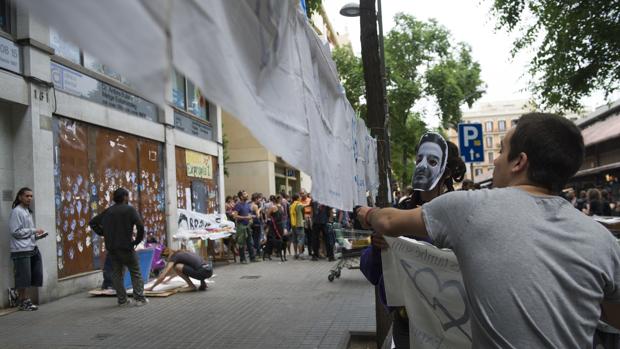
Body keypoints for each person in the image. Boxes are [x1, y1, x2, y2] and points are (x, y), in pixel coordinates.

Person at [355, 113, 620, 347]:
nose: (495, 162)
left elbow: (388, 221)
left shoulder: (468, 209)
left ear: (519, 162)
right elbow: (612, 315)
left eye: (502, 151)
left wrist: (365, 213)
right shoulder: (602, 239)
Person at [360, 133, 466, 348]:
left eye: (433, 161)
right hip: (407, 325)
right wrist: (379, 247)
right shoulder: (398, 213)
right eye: (419, 160)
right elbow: (374, 273)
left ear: (445, 171)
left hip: (450, 326)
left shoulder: (459, 214)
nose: (423, 166)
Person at [89, 187, 148, 307]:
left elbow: (93, 222)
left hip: (113, 249)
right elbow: (140, 225)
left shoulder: (108, 211)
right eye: (128, 196)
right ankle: (139, 299)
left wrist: (103, 232)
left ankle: (122, 300)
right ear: (125, 197)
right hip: (127, 247)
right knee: (135, 272)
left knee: (117, 274)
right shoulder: (130, 210)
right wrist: (137, 240)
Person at [8, 187, 47, 311]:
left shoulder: (27, 211)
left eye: (31, 196)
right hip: (21, 250)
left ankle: (23, 299)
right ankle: (23, 300)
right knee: (23, 277)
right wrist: (34, 230)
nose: (30, 198)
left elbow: (26, 232)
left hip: (31, 247)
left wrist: (37, 236)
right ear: (20, 197)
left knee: (32, 276)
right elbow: (15, 232)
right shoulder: (17, 211)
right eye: (27, 196)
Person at [146, 250, 212, 292]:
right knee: (187, 265)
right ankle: (203, 283)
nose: (166, 261)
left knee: (176, 266)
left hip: (201, 272)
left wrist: (152, 287)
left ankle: (191, 286)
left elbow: (164, 274)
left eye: (165, 259)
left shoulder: (174, 257)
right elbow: (195, 264)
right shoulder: (183, 252)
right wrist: (168, 279)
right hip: (209, 270)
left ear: (168, 256)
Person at [233, 190, 255, 263]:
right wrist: (245, 218)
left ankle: (252, 258)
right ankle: (242, 259)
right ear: (241, 197)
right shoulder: (238, 205)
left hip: (247, 225)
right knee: (241, 243)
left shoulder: (247, 204)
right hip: (241, 226)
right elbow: (235, 216)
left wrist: (251, 217)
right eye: (245, 194)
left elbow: (249, 213)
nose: (247, 195)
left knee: (250, 242)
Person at [289, 194, 306, 259]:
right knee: (300, 239)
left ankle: (295, 254)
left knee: (294, 239)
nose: (300, 198)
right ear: (297, 198)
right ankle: (301, 254)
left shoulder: (291, 206)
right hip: (299, 224)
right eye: (299, 197)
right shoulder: (300, 205)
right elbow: (303, 213)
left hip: (293, 224)